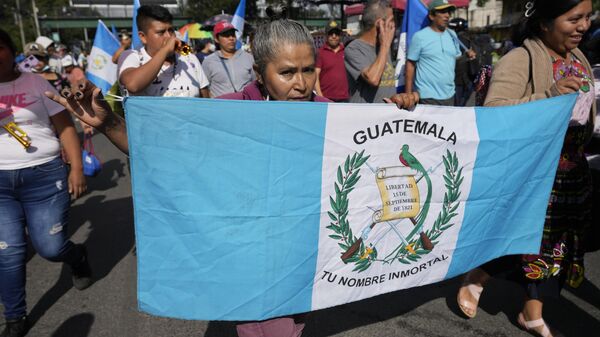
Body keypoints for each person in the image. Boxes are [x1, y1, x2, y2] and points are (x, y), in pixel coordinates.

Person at [45, 7, 418, 337]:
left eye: (307, 70)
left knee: (294, 318)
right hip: (247, 249)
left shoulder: (324, 111)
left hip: (303, 248)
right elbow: (161, 153)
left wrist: (400, 114)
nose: (301, 84)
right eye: (287, 72)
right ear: (259, 73)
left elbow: (372, 151)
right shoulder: (226, 114)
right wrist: (110, 122)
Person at [457, 1, 595, 336]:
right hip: (534, 176)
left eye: (587, 17)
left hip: (570, 175)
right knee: (522, 242)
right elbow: (495, 114)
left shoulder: (579, 59)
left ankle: (531, 313)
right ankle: (478, 276)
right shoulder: (520, 59)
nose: (584, 26)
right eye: (573, 18)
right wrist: (548, 96)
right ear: (545, 23)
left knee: (555, 250)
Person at [0, 29, 91, 337]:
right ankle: (15, 318)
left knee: (50, 247)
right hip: (1, 185)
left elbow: (65, 127)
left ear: (12, 52)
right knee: (8, 251)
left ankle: (76, 256)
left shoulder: (36, 82)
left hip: (43, 177)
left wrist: (76, 168)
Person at [118, 5, 210, 98]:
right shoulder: (132, 57)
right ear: (143, 37)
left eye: (171, 30)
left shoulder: (189, 58)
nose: (169, 36)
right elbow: (133, 85)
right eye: (161, 32)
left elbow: (206, 101)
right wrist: (165, 50)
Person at [405, 0, 476, 106]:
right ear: (432, 16)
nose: (447, 15)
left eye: (448, 12)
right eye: (442, 12)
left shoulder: (452, 35)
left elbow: (453, 59)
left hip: (450, 95)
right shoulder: (419, 37)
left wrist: (466, 56)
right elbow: (410, 65)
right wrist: (408, 95)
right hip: (426, 97)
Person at [345, 0, 398, 103]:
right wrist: (385, 46)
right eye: (391, 20)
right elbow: (373, 79)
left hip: (388, 117)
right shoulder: (353, 48)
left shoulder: (383, 46)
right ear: (380, 24)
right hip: (366, 117)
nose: (394, 25)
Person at [201, 21, 255, 97]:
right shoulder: (208, 62)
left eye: (233, 35)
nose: (231, 38)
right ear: (216, 39)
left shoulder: (249, 58)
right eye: (226, 35)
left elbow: (256, 84)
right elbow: (204, 88)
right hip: (220, 107)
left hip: (245, 106)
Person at [315, 20, 349, 102]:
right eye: (331, 33)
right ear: (326, 35)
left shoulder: (347, 51)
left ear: (340, 35)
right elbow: (315, 76)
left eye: (336, 33)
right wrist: (321, 97)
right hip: (326, 99)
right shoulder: (320, 52)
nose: (334, 36)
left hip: (345, 99)